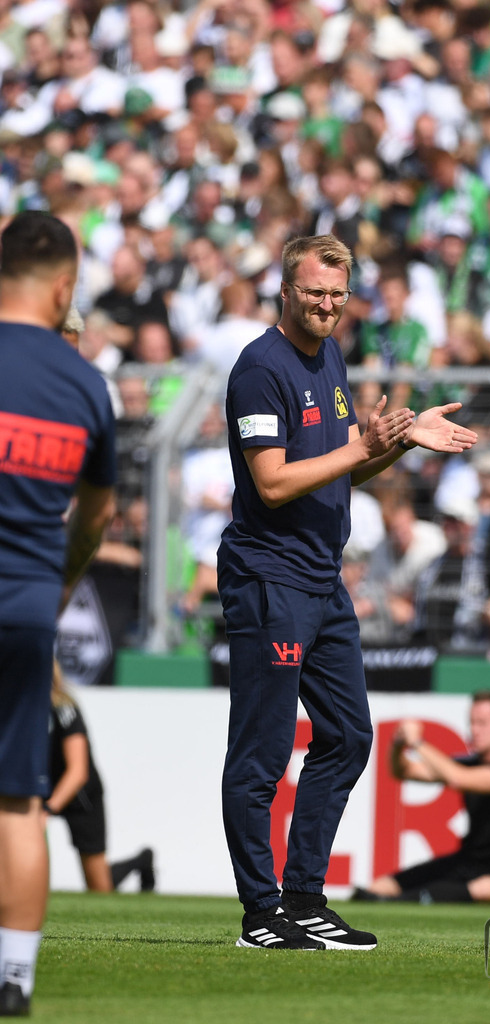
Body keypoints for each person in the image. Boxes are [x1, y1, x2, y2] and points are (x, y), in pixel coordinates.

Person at [217, 233, 478, 951]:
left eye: (337, 293)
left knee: (348, 736)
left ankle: (303, 897)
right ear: (285, 290)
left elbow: (335, 469)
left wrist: (395, 442)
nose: (328, 305)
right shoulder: (259, 369)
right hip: (270, 577)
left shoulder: (327, 354)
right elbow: (270, 483)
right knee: (262, 755)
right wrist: (362, 448)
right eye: (314, 292)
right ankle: (260, 913)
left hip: (321, 578)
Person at [0, 211, 116, 1017]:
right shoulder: (85, 384)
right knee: (18, 801)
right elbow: (98, 519)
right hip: (30, 603)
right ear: (65, 288)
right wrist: (59, 578)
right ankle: (13, 976)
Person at [351, 690, 490, 904]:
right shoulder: (469, 762)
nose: (475, 730)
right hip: (467, 862)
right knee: (382, 886)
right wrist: (399, 744)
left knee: (486, 889)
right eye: (472, 722)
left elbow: (460, 778)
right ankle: (391, 899)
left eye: (482, 723)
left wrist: (418, 743)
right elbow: (403, 771)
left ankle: (400, 901)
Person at [46, 661, 155, 893]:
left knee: (99, 886)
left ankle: (141, 861)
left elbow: (77, 772)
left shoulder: (65, 709)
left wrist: (46, 810)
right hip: (43, 788)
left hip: (81, 796)